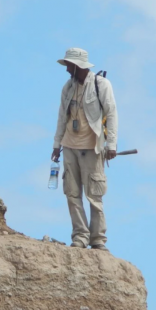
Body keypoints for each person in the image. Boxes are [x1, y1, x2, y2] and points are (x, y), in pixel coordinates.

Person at [51, 48, 119, 251]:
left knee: (94, 196)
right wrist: (56, 145)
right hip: (69, 147)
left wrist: (111, 144)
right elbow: (62, 116)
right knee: (72, 194)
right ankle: (80, 236)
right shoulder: (67, 87)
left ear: (78, 66)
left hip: (92, 148)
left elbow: (112, 114)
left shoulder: (101, 85)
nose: (66, 70)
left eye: (69, 66)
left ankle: (97, 239)